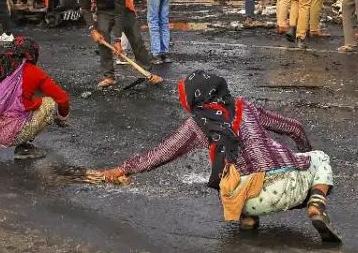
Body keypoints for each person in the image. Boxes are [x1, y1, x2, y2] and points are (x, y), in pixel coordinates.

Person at [87, 71, 340, 243]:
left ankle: (249, 218)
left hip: (243, 199)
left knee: (228, 172)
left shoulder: (197, 124)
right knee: (319, 157)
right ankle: (316, 204)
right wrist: (303, 156)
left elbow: (162, 153)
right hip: (290, 188)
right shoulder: (245, 106)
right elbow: (294, 127)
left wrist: (124, 169)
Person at [0, 36, 70, 161]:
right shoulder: (34, 72)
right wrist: (62, 117)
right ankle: (24, 147)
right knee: (49, 102)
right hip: (15, 134)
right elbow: (63, 99)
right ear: (32, 55)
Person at [85, 0, 161, 89]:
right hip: (104, 10)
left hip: (123, 9)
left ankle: (146, 71)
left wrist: (118, 39)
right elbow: (85, 8)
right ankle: (109, 76)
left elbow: (119, 13)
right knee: (102, 37)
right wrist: (92, 30)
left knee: (136, 38)